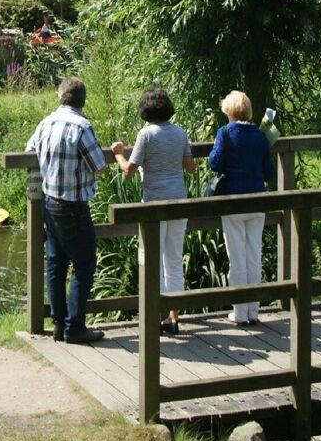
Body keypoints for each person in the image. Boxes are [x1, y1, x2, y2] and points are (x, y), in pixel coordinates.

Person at [26, 78, 108, 345]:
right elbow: (98, 165)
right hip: (73, 205)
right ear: (82, 101)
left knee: (56, 264)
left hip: (49, 203)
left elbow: (29, 153)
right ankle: (75, 327)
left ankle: (59, 324)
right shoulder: (82, 127)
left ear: (60, 97)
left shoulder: (45, 123)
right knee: (84, 265)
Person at [112, 88, 194, 336]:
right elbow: (190, 168)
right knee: (173, 260)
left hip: (154, 205)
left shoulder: (145, 135)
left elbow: (129, 171)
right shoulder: (180, 133)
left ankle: (155, 318)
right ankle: (174, 318)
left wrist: (118, 154)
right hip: (178, 202)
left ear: (145, 111)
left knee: (153, 261)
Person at [207, 90, 275, 326]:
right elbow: (269, 172)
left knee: (236, 258)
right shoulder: (260, 136)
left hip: (234, 201)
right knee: (254, 255)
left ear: (230, 111)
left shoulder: (225, 133)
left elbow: (214, 162)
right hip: (257, 201)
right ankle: (253, 311)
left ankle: (239, 312)